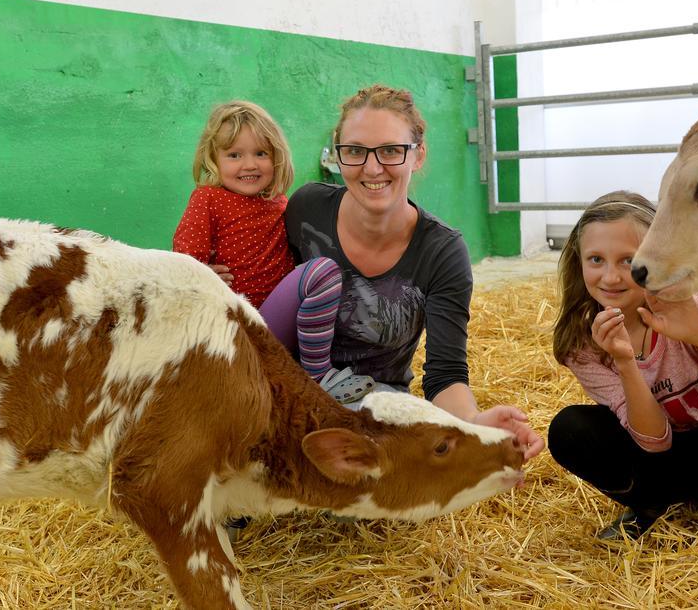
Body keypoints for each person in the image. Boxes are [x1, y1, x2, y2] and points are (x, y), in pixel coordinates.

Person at [283, 84, 544, 460]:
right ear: (338, 156)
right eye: (355, 151)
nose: (372, 168)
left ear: (417, 155)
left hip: (376, 405)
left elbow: (444, 372)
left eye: (390, 150)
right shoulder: (307, 210)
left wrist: (473, 422)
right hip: (290, 393)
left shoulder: (441, 251)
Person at [547, 191, 698, 541]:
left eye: (628, 261)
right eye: (596, 259)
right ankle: (652, 506)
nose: (611, 277)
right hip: (663, 463)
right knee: (569, 428)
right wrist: (626, 363)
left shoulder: (686, 308)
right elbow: (655, 443)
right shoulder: (583, 344)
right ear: (578, 262)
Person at [172, 100, 348, 384]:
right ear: (213, 159)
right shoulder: (209, 199)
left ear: (276, 158)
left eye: (261, 153)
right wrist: (200, 273)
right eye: (234, 155)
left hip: (274, 325)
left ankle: (312, 371)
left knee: (323, 272)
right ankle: (315, 376)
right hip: (232, 328)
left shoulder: (279, 203)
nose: (249, 165)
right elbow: (184, 260)